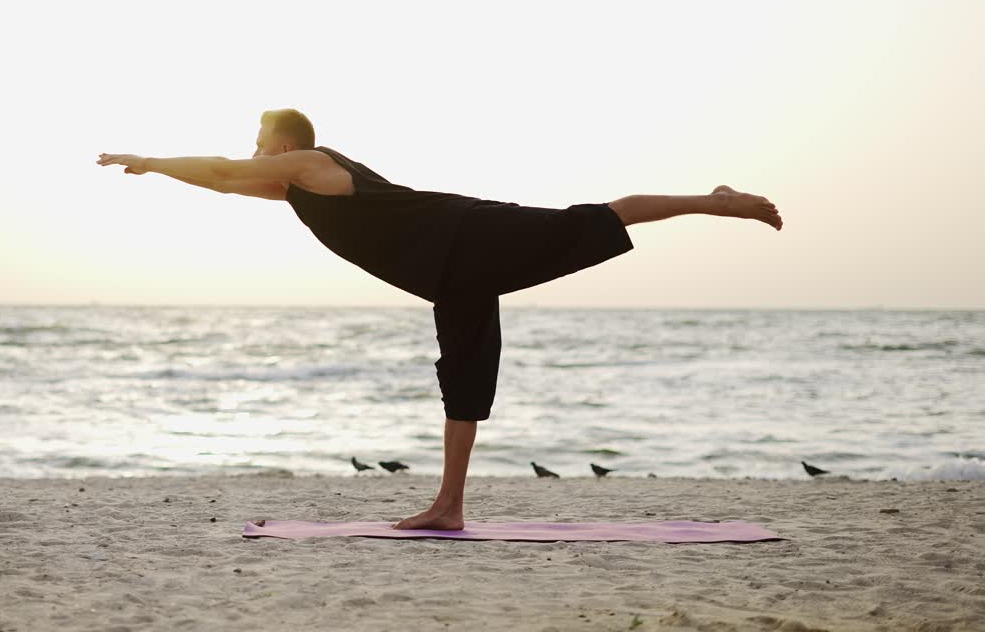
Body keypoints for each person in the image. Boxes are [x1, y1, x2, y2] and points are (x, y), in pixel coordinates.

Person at [96, 108, 783, 531]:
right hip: (449, 278)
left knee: (592, 220)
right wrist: (166, 173)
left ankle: (715, 200)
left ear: (282, 141)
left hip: (468, 238)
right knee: (464, 383)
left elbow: (221, 169)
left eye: (258, 140)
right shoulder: (294, 188)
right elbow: (222, 179)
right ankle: (449, 505)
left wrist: (152, 161)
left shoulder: (310, 161)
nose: (253, 151)